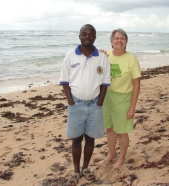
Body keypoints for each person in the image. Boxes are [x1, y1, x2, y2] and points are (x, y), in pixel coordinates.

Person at [59, 24, 111, 185]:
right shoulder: (70, 55)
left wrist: (100, 102)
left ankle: (86, 168)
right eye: (84, 34)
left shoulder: (102, 57)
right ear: (79, 36)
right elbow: (65, 81)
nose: (87, 37)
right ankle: (75, 171)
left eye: (91, 34)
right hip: (76, 105)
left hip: (95, 105)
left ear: (95, 37)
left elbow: (105, 82)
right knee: (76, 139)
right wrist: (71, 101)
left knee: (90, 139)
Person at [99, 28, 141, 169]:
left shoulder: (131, 59)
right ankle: (110, 155)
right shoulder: (105, 55)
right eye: (116, 38)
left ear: (126, 42)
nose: (119, 40)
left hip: (123, 98)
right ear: (111, 42)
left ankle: (121, 158)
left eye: (122, 38)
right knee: (109, 129)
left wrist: (132, 107)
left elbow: (136, 84)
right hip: (106, 97)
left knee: (122, 131)